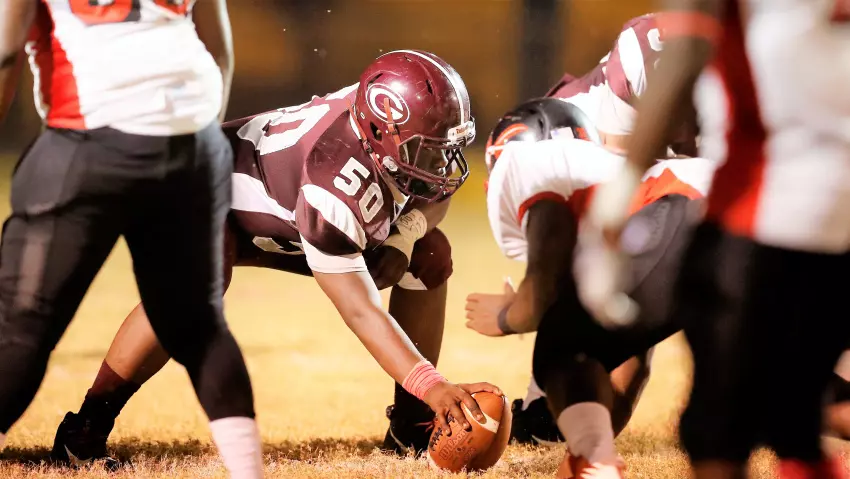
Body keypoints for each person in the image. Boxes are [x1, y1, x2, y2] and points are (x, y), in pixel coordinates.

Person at [48, 50, 500, 465]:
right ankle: (85, 429)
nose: (443, 164)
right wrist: (431, 383)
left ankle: (410, 425)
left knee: (429, 254)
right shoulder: (333, 183)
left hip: (283, 211)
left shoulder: (381, 127)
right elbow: (360, 310)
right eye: (429, 150)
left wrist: (404, 238)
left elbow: (433, 193)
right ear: (381, 132)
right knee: (197, 285)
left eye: (447, 148)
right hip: (200, 191)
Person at [577, 2, 850, 478]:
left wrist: (615, 202)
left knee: (718, 430)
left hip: (762, 211)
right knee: (798, 415)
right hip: (839, 213)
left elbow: (684, 54)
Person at [0, 0, 269, 476]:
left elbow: (5, 53)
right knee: (199, 326)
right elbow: (219, 52)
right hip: (190, 142)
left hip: (86, 139)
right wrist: (196, 141)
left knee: (23, 327)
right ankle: (248, 471)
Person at [467, 97, 716, 478]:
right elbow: (631, 354)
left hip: (695, 214)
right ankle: (590, 458)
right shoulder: (612, 178)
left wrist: (506, 317)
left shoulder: (526, 162)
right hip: (762, 218)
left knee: (560, 342)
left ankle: (594, 461)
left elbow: (542, 288)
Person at [506, 12, 700, 446]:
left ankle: (573, 434)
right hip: (606, 179)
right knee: (610, 322)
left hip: (689, 197)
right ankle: (554, 420)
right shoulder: (578, 120)